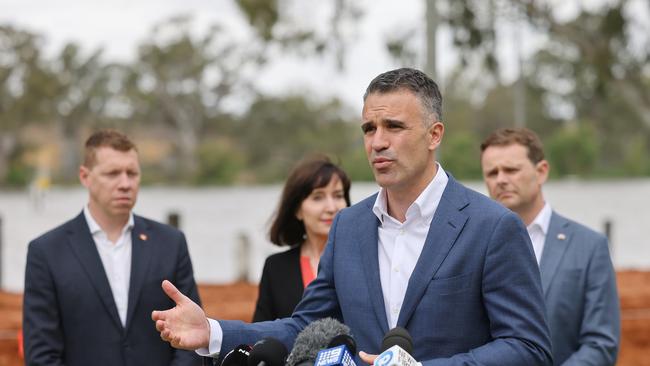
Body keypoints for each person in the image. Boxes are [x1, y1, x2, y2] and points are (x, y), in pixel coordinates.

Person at [152, 68, 553, 365]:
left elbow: (528, 347)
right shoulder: (349, 226)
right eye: (369, 128)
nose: (378, 142)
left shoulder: (493, 227)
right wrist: (214, 331)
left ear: (434, 135)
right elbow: (303, 326)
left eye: (394, 126)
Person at [23, 130, 202, 366]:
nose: (125, 184)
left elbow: (190, 339)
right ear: (85, 176)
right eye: (113, 173)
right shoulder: (46, 252)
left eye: (132, 173)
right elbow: (42, 354)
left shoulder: (172, 242)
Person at [480, 128, 620, 365]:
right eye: (492, 173)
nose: (501, 179)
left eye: (511, 170)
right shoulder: (473, 244)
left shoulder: (589, 247)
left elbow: (600, 344)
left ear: (542, 171)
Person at [253, 155, 351, 322]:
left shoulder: (362, 260)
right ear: (297, 209)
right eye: (318, 197)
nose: (331, 207)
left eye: (338, 195)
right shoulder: (275, 268)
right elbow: (260, 333)